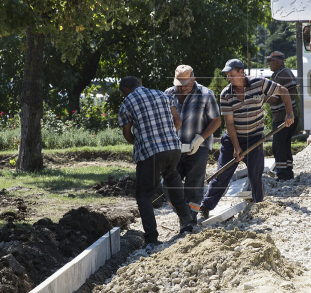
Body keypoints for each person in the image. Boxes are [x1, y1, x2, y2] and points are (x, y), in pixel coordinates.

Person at [199, 59, 295, 219]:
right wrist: (236, 147)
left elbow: (284, 91)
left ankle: (258, 205)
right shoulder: (226, 94)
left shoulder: (260, 83)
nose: (229, 77)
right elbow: (229, 123)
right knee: (222, 173)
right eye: (227, 75)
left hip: (254, 138)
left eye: (231, 74)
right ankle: (206, 206)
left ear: (241, 72)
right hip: (232, 139)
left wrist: (289, 113)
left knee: (255, 174)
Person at [117, 76, 195, 250]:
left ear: (126, 90)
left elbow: (127, 133)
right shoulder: (162, 94)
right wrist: (167, 137)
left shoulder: (127, 102)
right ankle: (187, 223)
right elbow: (179, 121)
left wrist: (141, 142)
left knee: (144, 195)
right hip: (173, 149)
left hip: (150, 153)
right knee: (173, 181)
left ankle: (152, 238)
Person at [164, 65, 221, 223]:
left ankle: (190, 220)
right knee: (167, 185)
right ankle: (184, 215)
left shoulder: (206, 95)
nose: (181, 88)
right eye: (179, 84)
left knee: (194, 185)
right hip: (173, 149)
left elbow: (216, 120)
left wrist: (201, 138)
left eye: (185, 84)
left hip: (198, 149)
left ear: (193, 79)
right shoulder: (168, 94)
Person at [265, 51, 299, 180]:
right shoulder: (283, 73)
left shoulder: (282, 74)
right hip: (288, 115)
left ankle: (283, 175)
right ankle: (288, 172)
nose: (269, 64)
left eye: (271, 61)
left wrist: (260, 98)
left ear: (278, 62)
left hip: (283, 116)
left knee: (278, 146)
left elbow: (275, 98)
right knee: (285, 145)